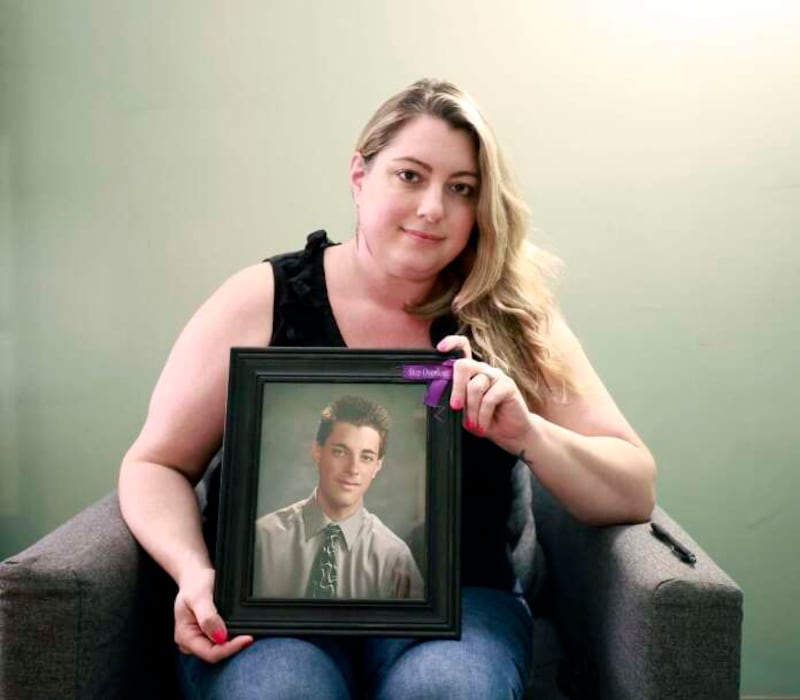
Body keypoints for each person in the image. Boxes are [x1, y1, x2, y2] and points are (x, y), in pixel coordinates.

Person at [119, 78, 656, 699]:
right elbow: (155, 463)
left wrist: (529, 433)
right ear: (359, 175)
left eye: (461, 188)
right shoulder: (261, 299)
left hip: (460, 604)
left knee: (447, 693)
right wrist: (194, 572)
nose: (433, 208)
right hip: (270, 607)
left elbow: (633, 487)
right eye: (410, 176)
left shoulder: (512, 317)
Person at [252, 394, 424, 600]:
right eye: (340, 452)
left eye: (366, 457)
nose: (353, 469)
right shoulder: (262, 539)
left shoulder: (394, 557)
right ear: (317, 451)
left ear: (377, 466)